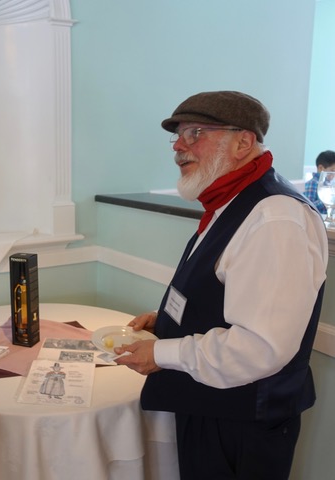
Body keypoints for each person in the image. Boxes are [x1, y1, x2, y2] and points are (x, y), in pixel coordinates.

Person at [115, 91, 328, 480]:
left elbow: (260, 348)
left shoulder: (276, 218)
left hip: (241, 423)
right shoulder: (229, 201)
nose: (179, 146)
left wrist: (162, 353)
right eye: (177, 136)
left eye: (195, 133)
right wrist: (165, 323)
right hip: (211, 404)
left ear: (243, 141)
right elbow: (220, 292)